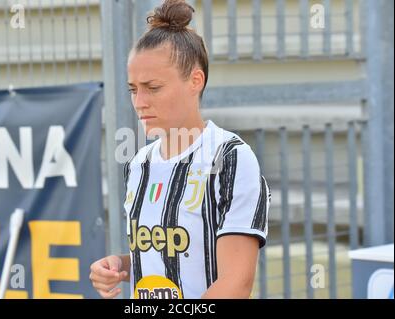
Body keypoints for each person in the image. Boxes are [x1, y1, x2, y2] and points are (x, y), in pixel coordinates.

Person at [90, 0, 270, 299]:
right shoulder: (138, 164)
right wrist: (119, 266)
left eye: (153, 87)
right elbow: (169, 259)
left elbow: (236, 283)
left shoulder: (230, 158)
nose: (139, 102)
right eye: (133, 89)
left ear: (195, 81)